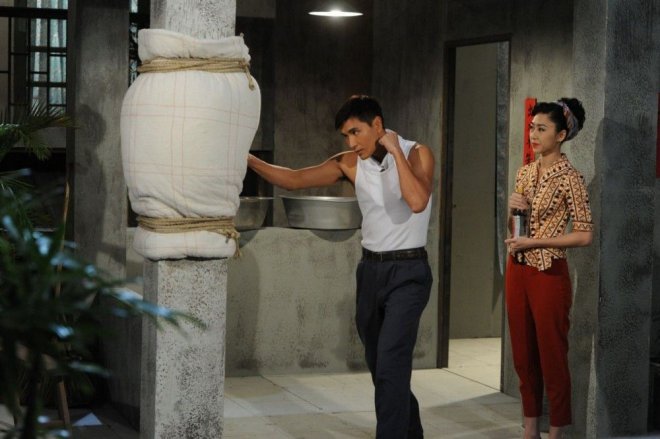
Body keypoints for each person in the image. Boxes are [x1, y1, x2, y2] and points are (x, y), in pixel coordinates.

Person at [247, 95, 434, 438]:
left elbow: (418, 201)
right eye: (345, 135)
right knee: (382, 367)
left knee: (391, 363)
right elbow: (293, 179)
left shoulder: (416, 153)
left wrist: (395, 152)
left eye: (355, 132)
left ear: (377, 125)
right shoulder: (350, 163)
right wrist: (247, 159)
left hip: (409, 273)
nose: (350, 142)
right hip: (371, 273)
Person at [504, 97, 593, 439]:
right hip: (517, 268)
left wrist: (536, 242)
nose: (533, 135)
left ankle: (556, 430)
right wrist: (512, 209)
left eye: (542, 129)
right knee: (523, 355)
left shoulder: (571, 177)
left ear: (561, 135)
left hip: (549, 272)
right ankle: (530, 429)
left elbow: (584, 235)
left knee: (552, 355)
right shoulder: (525, 172)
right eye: (532, 128)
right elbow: (515, 229)